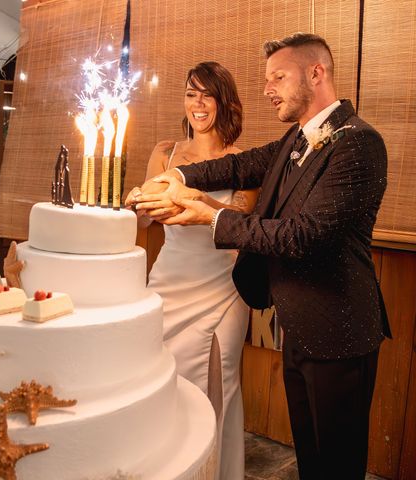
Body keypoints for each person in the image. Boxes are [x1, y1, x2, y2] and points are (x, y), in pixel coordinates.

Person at [128, 33, 391, 480]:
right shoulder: (297, 139)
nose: (268, 88)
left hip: (338, 330)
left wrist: (209, 218)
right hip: (301, 327)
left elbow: (302, 236)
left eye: (278, 77)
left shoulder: (359, 143)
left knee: (338, 464)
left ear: (316, 73)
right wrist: (175, 174)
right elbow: (235, 166)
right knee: (312, 457)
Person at [126, 61, 259, 480]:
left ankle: (215, 471)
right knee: (160, 381)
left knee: (218, 384)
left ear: (224, 102)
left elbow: (242, 222)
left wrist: (196, 201)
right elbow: (147, 221)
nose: (197, 104)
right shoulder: (164, 153)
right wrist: (137, 205)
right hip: (168, 281)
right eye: (190, 93)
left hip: (223, 288)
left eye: (207, 95)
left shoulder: (244, 161)